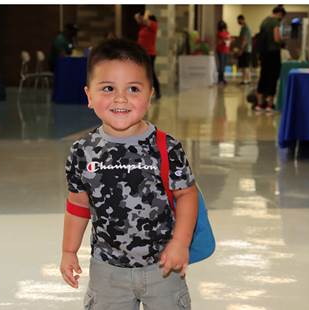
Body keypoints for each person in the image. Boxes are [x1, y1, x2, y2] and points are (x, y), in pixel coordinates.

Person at [60, 39, 198, 310]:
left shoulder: (166, 147)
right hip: (107, 271)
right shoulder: (82, 151)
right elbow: (78, 205)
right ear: (89, 96)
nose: (120, 98)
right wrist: (68, 251)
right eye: (108, 88)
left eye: (133, 89)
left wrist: (180, 243)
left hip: (163, 267)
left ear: (150, 95)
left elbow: (186, 195)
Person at [255, 5, 286, 114]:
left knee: (263, 76)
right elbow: (276, 38)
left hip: (264, 54)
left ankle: (259, 104)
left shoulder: (264, 21)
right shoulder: (275, 22)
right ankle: (269, 105)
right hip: (273, 53)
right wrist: (282, 41)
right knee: (272, 78)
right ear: (280, 14)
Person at [135, 11, 161, 99]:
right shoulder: (144, 27)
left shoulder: (153, 25)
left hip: (150, 53)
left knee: (150, 73)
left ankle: (157, 92)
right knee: (143, 73)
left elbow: (145, 20)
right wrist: (140, 16)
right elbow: (136, 17)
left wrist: (146, 13)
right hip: (142, 53)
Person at [237, 15, 252, 85]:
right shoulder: (246, 27)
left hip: (245, 49)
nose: (238, 22)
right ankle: (248, 79)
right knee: (247, 65)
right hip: (248, 49)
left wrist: (241, 50)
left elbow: (244, 40)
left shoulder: (245, 28)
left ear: (242, 19)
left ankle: (244, 80)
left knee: (245, 65)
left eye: (238, 20)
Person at [216, 20, 231, 84]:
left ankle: (223, 78)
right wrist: (223, 40)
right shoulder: (219, 33)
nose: (223, 28)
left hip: (226, 50)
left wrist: (229, 40)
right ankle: (220, 79)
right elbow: (218, 42)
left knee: (224, 65)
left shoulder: (227, 33)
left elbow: (229, 40)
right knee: (221, 65)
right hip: (220, 50)